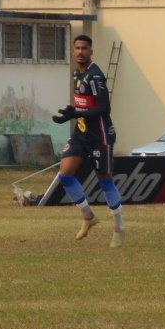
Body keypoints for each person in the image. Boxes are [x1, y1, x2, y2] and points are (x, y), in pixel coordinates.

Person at [51, 34, 124, 248]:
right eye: (77, 48)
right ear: (73, 51)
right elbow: (85, 105)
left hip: (100, 135)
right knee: (65, 175)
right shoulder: (76, 74)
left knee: (105, 181)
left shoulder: (96, 76)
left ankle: (119, 228)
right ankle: (88, 216)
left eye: (85, 48)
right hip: (81, 132)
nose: (80, 52)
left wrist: (75, 113)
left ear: (91, 52)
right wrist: (73, 112)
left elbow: (104, 108)